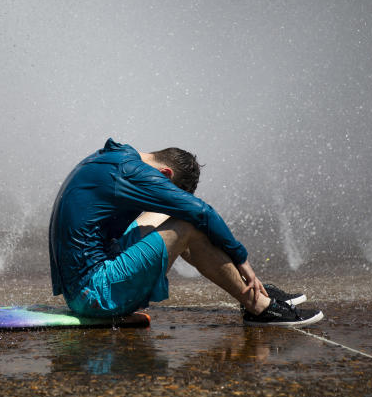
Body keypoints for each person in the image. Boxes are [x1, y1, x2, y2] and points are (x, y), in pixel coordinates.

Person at [49, 138, 323, 326]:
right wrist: (242, 260)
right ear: (166, 173)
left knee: (175, 213)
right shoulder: (131, 171)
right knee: (188, 223)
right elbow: (201, 212)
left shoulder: (116, 157)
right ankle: (259, 307)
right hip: (93, 293)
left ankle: (251, 290)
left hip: (88, 280)